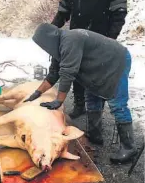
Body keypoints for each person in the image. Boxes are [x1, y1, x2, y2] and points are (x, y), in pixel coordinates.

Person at [25, 23, 137, 164]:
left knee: (117, 104)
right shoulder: (59, 48)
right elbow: (54, 73)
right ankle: (95, 135)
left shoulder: (71, 39)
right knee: (92, 96)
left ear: (48, 40)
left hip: (115, 61)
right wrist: (37, 92)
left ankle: (129, 147)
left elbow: (67, 72)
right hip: (98, 65)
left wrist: (59, 100)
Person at [51, 0, 127, 119]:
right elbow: (63, 10)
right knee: (77, 70)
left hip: (101, 38)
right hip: (77, 36)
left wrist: (111, 37)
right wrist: (53, 28)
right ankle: (79, 104)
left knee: (97, 73)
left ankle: (96, 109)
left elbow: (120, 11)